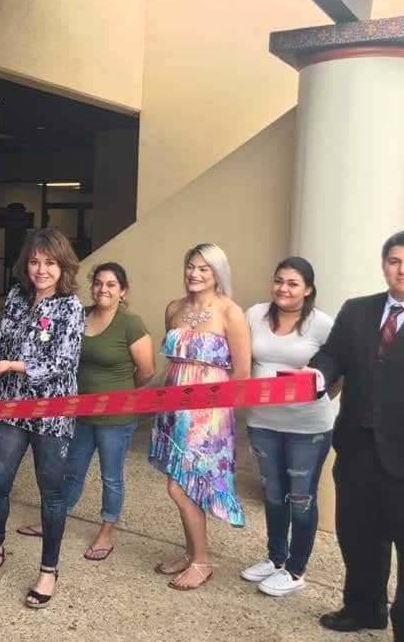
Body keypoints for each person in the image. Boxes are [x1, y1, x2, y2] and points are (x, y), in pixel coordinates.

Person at [310, 230, 404, 639]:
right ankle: (363, 607)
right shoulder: (358, 310)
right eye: (395, 260)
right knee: (359, 537)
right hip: (358, 449)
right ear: (384, 265)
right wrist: (316, 375)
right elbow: (331, 356)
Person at [0, 228, 85, 609]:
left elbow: (62, 361)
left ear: (62, 265)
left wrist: (13, 365)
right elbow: (3, 344)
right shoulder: (18, 297)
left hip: (50, 412)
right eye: (35, 261)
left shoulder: (70, 306)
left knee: (51, 493)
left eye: (50, 263)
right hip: (9, 405)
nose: (41, 269)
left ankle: (48, 570)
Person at [15, 262, 155, 561]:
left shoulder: (131, 323)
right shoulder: (81, 314)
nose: (103, 289)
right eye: (98, 283)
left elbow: (146, 371)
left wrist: (121, 395)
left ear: (123, 291)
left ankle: (106, 532)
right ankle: (54, 521)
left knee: (111, 477)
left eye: (111, 285)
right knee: (70, 473)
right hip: (79, 412)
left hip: (115, 418)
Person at [149, 243, 250, 590]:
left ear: (217, 272)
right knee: (182, 483)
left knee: (181, 487)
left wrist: (214, 414)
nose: (195, 273)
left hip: (209, 414)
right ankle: (193, 552)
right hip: (173, 409)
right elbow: (172, 361)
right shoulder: (174, 308)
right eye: (191, 266)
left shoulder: (231, 312)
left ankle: (202, 561)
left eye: (204, 268)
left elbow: (242, 373)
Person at [239, 258, 334, 598]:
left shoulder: (321, 324)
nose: (283, 288)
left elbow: (337, 373)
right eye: (279, 280)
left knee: (301, 498)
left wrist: (314, 397)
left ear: (307, 289)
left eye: (293, 283)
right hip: (263, 423)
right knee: (274, 496)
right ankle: (276, 559)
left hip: (307, 428)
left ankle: (296, 570)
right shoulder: (255, 315)